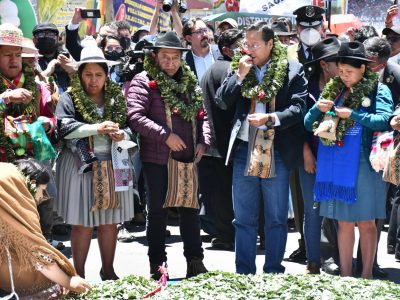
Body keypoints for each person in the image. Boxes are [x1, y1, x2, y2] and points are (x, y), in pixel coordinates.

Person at [215, 21, 308, 274]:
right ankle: (243, 272)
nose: (249, 49)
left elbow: (299, 109)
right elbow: (221, 101)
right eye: (246, 43)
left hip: (276, 149)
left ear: (270, 44)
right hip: (245, 148)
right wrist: (240, 76)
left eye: (255, 44)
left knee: (276, 217)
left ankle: (273, 271)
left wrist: (271, 119)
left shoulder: (292, 69)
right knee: (243, 218)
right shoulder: (239, 67)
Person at [304, 41, 393, 279]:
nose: (344, 76)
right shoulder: (335, 89)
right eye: (341, 70)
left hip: (364, 163)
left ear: (363, 69)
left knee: (366, 221)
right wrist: (316, 110)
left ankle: (366, 275)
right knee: (343, 222)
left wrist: (353, 114)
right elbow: (308, 123)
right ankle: (345, 276)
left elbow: (384, 120)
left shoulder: (378, 89)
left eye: (349, 72)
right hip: (336, 164)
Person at [126, 31, 210, 279]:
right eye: (165, 57)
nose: (171, 63)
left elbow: (202, 114)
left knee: (190, 209)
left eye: (175, 58)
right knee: (158, 211)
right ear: (155, 56)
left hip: (187, 157)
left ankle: (195, 261)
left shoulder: (189, 79)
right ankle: (158, 265)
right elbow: (135, 117)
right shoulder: (143, 80)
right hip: (157, 159)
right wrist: (165, 135)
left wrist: (203, 141)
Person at [55, 45, 135, 280]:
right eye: (88, 74)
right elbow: (64, 127)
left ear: (106, 75)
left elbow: (131, 127)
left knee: (110, 221)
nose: (93, 80)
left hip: (114, 163)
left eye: (98, 74)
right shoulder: (69, 97)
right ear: (80, 74)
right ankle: (77, 273)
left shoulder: (116, 97)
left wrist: (124, 135)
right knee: (82, 222)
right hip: (81, 165)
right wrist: (96, 128)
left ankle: (108, 270)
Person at [0, 160, 91, 298]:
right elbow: (35, 251)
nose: (42, 196)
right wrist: (68, 281)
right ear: (30, 183)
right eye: (42, 190)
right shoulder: (10, 200)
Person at [200, 29, 243, 250]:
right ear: (227, 49)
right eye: (239, 44)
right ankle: (226, 235)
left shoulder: (211, 70)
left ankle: (222, 233)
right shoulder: (229, 69)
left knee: (216, 192)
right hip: (225, 140)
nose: (244, 48)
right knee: (225, 192)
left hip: (212, 142)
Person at [301, 37, 341, 274]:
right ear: (325, 64)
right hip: (312, 156)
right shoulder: (307, 87)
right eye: (338, 61)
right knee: (312, 210)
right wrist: (306, 153)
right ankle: (313, 260)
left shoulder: (347, 86)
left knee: (336, 210)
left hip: (338, 158)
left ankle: (337, 258)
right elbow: (299, 124)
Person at [32, 23, 74, 94]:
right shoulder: (30, 61)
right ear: (34, 39)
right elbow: (29, 87)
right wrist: (47, 71)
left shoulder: (67, 58)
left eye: (51, 35)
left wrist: (72, 71)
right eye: (41, 34)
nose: (46, 37)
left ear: (58, 38)